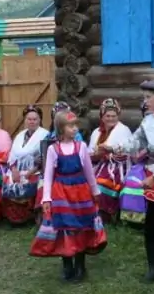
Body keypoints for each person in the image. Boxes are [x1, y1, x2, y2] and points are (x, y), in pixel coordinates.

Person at [100, 79, 154, 289]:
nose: (145, 101)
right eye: (144, 97)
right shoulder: (148, 120)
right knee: (152, 226)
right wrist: (113, 147)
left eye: (149, 97)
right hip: (152, 178)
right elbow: (136, 142)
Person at [30, 111, 106, 283]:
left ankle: (80, 265)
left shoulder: (81, 147)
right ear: (61, 129)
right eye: (70, 126)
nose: (74, 129)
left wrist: (95, 191)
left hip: (81, 193)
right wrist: (46, 198)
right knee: (64, 227)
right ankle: (67, 265)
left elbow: (88, 171)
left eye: (75, 125)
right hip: (61, 193)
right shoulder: (53, 149)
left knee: (80, 227)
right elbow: (48, 175)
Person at [34, 102, 84, 224]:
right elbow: (43, 154)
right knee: (42, 187)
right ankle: (45, 219)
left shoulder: (76, 137)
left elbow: (80, 158)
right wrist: (39, 159)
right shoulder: (48, 136)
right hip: (49, 173)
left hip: (69, 174)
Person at [1, 105, 48, 226]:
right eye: (29, 119)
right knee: (8, 181)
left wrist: (30, 172)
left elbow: (44, 158)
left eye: (35, 119)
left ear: (40, 120)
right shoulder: (19, 135)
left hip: (34, 171)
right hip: (17, 170)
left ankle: (27, 216)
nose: (31, 122)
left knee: (27, 182)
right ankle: (13, 218)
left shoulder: (45, 135)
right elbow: (12, 156)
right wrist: (14, 170)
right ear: (25, 120)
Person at [87, 98, 133, 223]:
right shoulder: (97, 132)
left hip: (117, 168)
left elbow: (127, 153)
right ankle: (88, 214)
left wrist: (108, 153)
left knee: (100, 183)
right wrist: (97, 154)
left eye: (114, 116)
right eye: (108, 116)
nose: (111, 119)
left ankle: (104, 215)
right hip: (98, 165)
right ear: (102, 116)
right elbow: (89, 152)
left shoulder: (124, 130)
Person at [119, 101, 150, 225]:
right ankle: (132, 218)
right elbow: (135, 157)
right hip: (141, 165)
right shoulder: (140, 131)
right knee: (132, 181)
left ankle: (146, 218)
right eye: (147, 114)